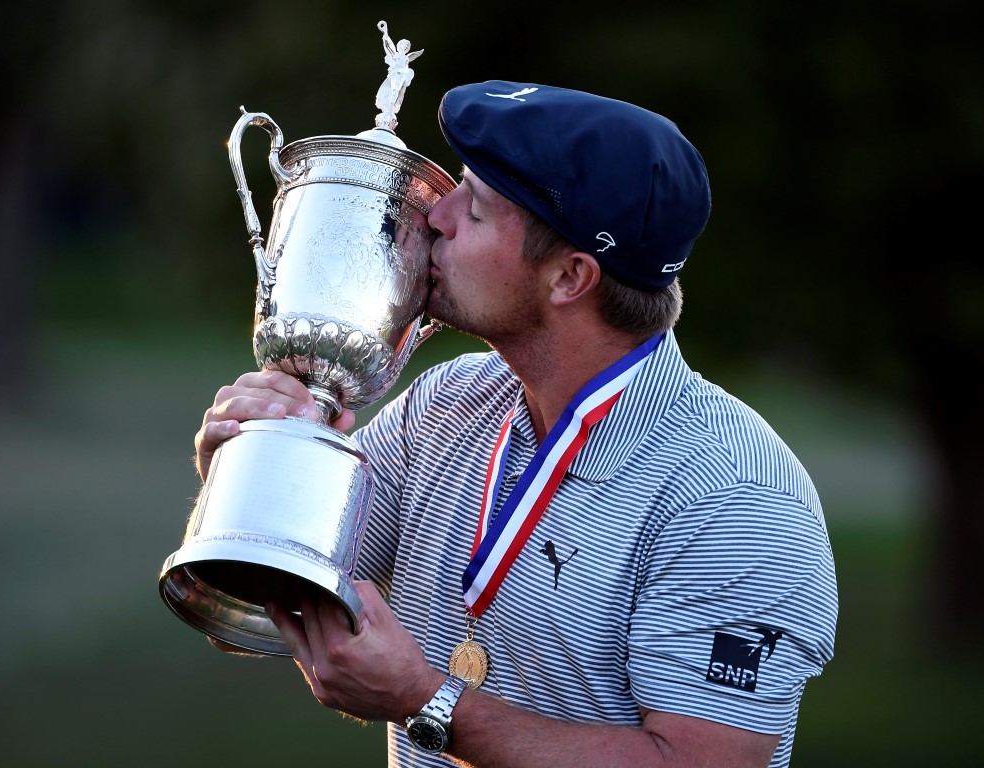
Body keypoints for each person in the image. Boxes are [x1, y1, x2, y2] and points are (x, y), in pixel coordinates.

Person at [195, 80, 838, 768]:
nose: (434, 214)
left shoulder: (738, 500)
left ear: (569, 277)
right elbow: (271, 594)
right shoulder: (448, 402)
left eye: (476, 206)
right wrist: (254, 471)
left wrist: (425, 699)